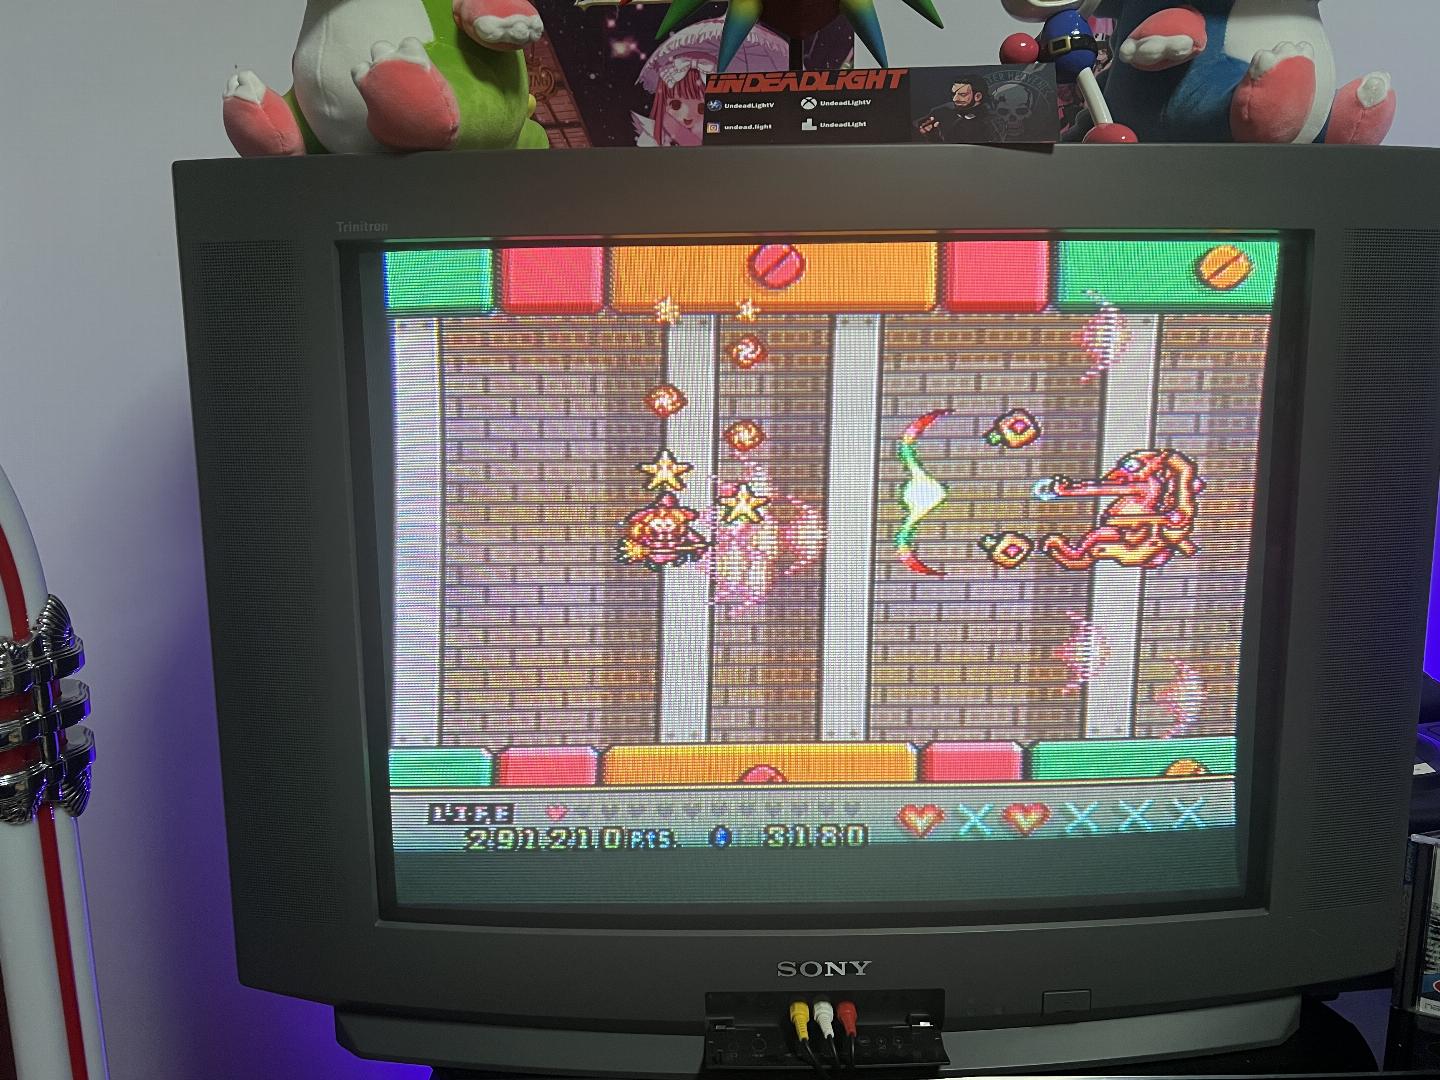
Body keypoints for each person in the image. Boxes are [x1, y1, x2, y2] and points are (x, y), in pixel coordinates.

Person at [915, 81, 990, 143]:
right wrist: (930, 136)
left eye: (962, 94)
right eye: (954, 94)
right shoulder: (943, 112)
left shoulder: (991, 122)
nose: (955, 99)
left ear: (978, 96)